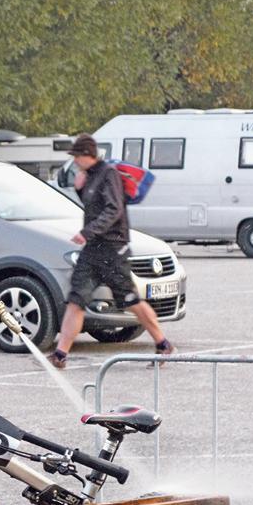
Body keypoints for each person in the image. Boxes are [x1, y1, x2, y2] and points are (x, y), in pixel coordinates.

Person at [48, 133, 175, 368]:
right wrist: (79, 190)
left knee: (130, 300)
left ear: (87, 155)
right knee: (76, 299)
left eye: (77, 156)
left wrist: (87, 232)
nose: (75, 161)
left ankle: (163, 343)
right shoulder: (89, 177)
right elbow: (93, 207)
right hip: (92, 251)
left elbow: (113, 210)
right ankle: (60, 355)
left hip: (113, 249)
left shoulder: (109, 175)